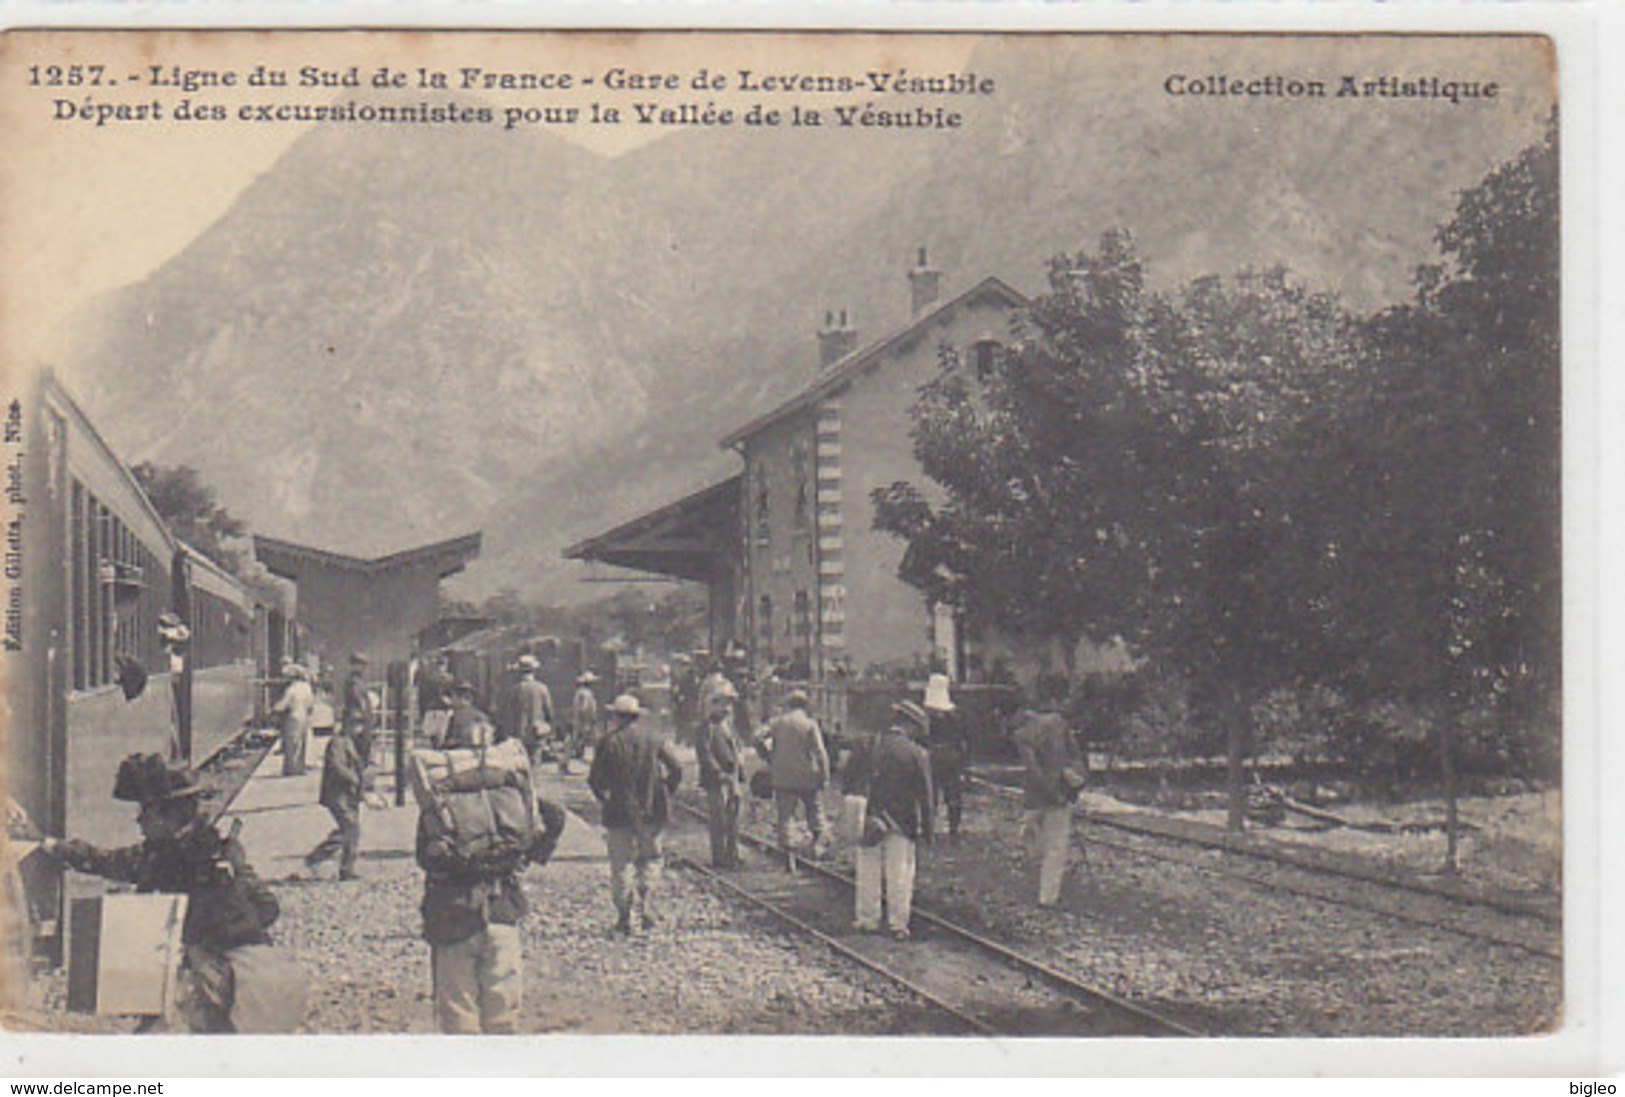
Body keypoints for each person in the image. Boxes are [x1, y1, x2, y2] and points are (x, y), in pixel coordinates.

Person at [39, 753, 291, 1032]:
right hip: (256, 976)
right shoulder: (213, 849)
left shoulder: (175, 859)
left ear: (167, 815)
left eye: (144, 812)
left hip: (222, 985)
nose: (139, 821)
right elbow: (268, 908)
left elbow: (110, 861)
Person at [417, 787, 566, 1034]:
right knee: (503, 1014)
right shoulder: (510, 809)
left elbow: (427, 860)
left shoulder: (438, 813)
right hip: (502, 913)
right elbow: (556, 817)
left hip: (454, 918)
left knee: (458, 1012)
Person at [587, 695, 682, 935]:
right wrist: (666, 790)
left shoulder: (607, 743)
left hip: (619, 812)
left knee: (621, 865)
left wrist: (605, 799)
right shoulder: (653, 739)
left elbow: (595, 780)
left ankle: (624, 917)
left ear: (617, 716)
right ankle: (647, 907)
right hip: (653, 810)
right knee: (650, 859)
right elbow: (677, 768)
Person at [843, 701, 934, 940]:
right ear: (910, 726)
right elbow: (926, 797)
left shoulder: (867, 745)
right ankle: (898, 923)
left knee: (868, 869)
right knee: (900, 873)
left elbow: (848, 780)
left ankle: (867, 919)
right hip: (902, 822)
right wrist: (928, 830)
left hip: (870, 818)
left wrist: (858, 809)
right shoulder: (917, 753)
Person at [1013, 683, 1084, 909]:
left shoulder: (1022, 734)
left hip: (1037, 797)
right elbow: (1077, 757)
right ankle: (1048, 897)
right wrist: (1073, 785)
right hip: (1060, 793)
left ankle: (1028, 876)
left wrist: (1052, 793)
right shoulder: (1060, 724)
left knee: (1031, 840)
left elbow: (1034, 771)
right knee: (1056, 846)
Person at [757, 689, 831, 861]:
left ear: (788, 704)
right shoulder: (809, 724)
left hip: (783, 777)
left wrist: (768, 756)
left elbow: (757, 737)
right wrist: (824, 776)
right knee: (815, 811)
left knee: (786, 816)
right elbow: (821, 753)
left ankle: (789, 856)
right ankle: (818, 849)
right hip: (807, 776)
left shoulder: (777, 722)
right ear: (805, 705)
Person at [305, 712, 368, 881]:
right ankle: (342, 868)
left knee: (347, 830)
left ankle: (324, 859)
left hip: (349, 795)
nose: (359, 729)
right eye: (356, 725)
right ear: (347, 725)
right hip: (337, 794)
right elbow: (336, 765)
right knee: (351, 828)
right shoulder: (337, 742)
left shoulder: (351, 742)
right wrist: (353, 778)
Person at [695, 678, 745, 869]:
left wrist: (739, 769)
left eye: (730, 703)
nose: (727, 708)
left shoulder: (729, 725)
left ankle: (733, 854)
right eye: (722, 703)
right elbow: (705, 754)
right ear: (712, 704)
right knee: (719, 820)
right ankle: (719, 856)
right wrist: (719, 773)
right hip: (717, 780)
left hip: (732, 778)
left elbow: (735, 748)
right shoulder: (707, 727)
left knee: (734, 818)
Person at [923, 673, 971, 840]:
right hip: (952, 756)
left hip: (932, 756)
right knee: (953, 795)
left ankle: (929, 831)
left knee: (930, 794)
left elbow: (921, 738)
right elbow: (964, 739)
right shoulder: (956, 715)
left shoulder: (926, 716)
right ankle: (953, 831)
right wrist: (965, 764)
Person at [505, 654, 558, 770]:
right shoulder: (542, 688)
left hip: (518, 732)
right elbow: (549, 711)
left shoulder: (515, 689)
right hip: (537, 732)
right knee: (535, 762)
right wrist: (550, 729)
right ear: (534, 671)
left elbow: (508, 713)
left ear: (519, 672)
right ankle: (534, 784)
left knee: (520, 765)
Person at [271, 663, 316, 777]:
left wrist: (274, 709)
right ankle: (300, 768)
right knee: (301, 743)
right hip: (304, 716)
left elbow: (284, 704)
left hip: (292, 717)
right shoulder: (306, 687)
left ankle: (291, 769)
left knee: (291, 744)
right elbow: (311, 703)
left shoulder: (292, 689)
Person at [341, 652, 378, 769]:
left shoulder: (358, 680)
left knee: (363, 749)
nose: (363, 668)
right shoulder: (353, 681)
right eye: (359, 664)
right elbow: (359, 699)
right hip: (357, 718)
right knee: (358, 749)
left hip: (361, 718)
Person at [443, 679, 496, 748]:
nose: (451, 700)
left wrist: (458, 741)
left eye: (453, 696)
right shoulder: (451, 716)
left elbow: (483, 739)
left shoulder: (478, 716)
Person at [571, 671, 600, 762]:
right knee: (582, 739)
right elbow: (584, 708)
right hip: (584, 721)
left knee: (579, 739)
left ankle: (576, 756)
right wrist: (587, 721)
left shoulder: (580, 692)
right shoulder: (585, 694)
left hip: (580, 721)